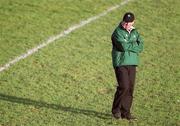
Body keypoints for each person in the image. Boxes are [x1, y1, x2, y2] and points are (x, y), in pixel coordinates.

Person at [111, 12, 144, 120]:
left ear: (133, 22)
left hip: (132, 62)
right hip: (121, 63)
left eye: (129, 23)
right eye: (125, 23)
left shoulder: (135, 32)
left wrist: (130, 44)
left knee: (130, 88)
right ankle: (116, 110)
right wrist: (133, 44)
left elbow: (141, 46)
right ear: (122, 21)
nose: (126, 25)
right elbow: (123, 47)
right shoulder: (117, 32)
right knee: (124, 86)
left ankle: (126, 113)